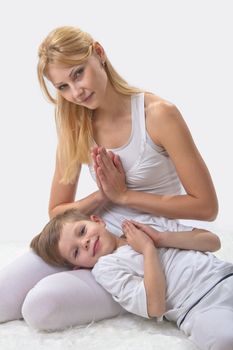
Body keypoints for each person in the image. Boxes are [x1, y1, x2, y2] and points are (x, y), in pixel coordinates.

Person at [0, 25, 218, 331]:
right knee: (2, 295)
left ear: (99, 54)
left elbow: (206, 206)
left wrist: (125, 197)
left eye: (78, 74)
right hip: (92, 234)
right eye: (62, 86)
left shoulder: (158, 115)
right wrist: (104, 196)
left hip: (148, 243)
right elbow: (57, 212)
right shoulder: (73, 120)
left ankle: (130, 289)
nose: (75, 92)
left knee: (40, 308)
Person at [30, 208, 233, 350]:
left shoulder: (142, 225)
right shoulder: (106, 268)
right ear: (78, 267)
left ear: (97, 220)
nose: (85, 242)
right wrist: (148, 250)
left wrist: (161, 238)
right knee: (225, 339)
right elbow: (155, 307)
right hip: (197, 307)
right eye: (75, 251)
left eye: (82, 231)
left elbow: (212, 242)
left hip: (225, 275)